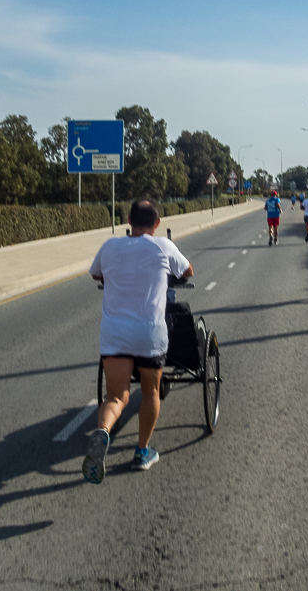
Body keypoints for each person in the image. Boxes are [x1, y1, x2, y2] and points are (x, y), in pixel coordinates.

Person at [83, 198, 194, 483]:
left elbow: (97, 273)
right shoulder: (163, 246)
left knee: (116, 396)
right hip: (149, 333)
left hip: (115, 334)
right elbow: (187, 271)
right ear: (157, 223)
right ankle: (142, 452)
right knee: (150, 392)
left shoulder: (109, 246)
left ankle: (103, 431)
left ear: (128, 220)